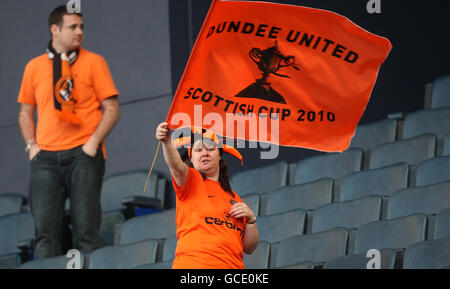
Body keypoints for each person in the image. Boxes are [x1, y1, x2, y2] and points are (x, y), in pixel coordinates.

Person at [17, 6, 120, 259]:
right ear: (55, 29)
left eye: (82, 26)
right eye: (73, 27)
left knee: (86, 233)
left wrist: (93, 144)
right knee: (45, 235)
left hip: (83, 155)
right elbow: (24, 113)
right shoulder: (34, 67)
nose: (80, 32)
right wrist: (32, 146)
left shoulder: (94, 62)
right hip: (45, 160)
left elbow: (112, 109)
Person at [155, 123, 259, 269]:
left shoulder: (234, 197)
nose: (204, 153)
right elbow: (176, 167)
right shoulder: (191, 181)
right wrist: (166, 142)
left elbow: (249, 248)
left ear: (219, 155)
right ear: (192, 159)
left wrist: (251, 219)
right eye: (198, 150)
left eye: (210, 148)